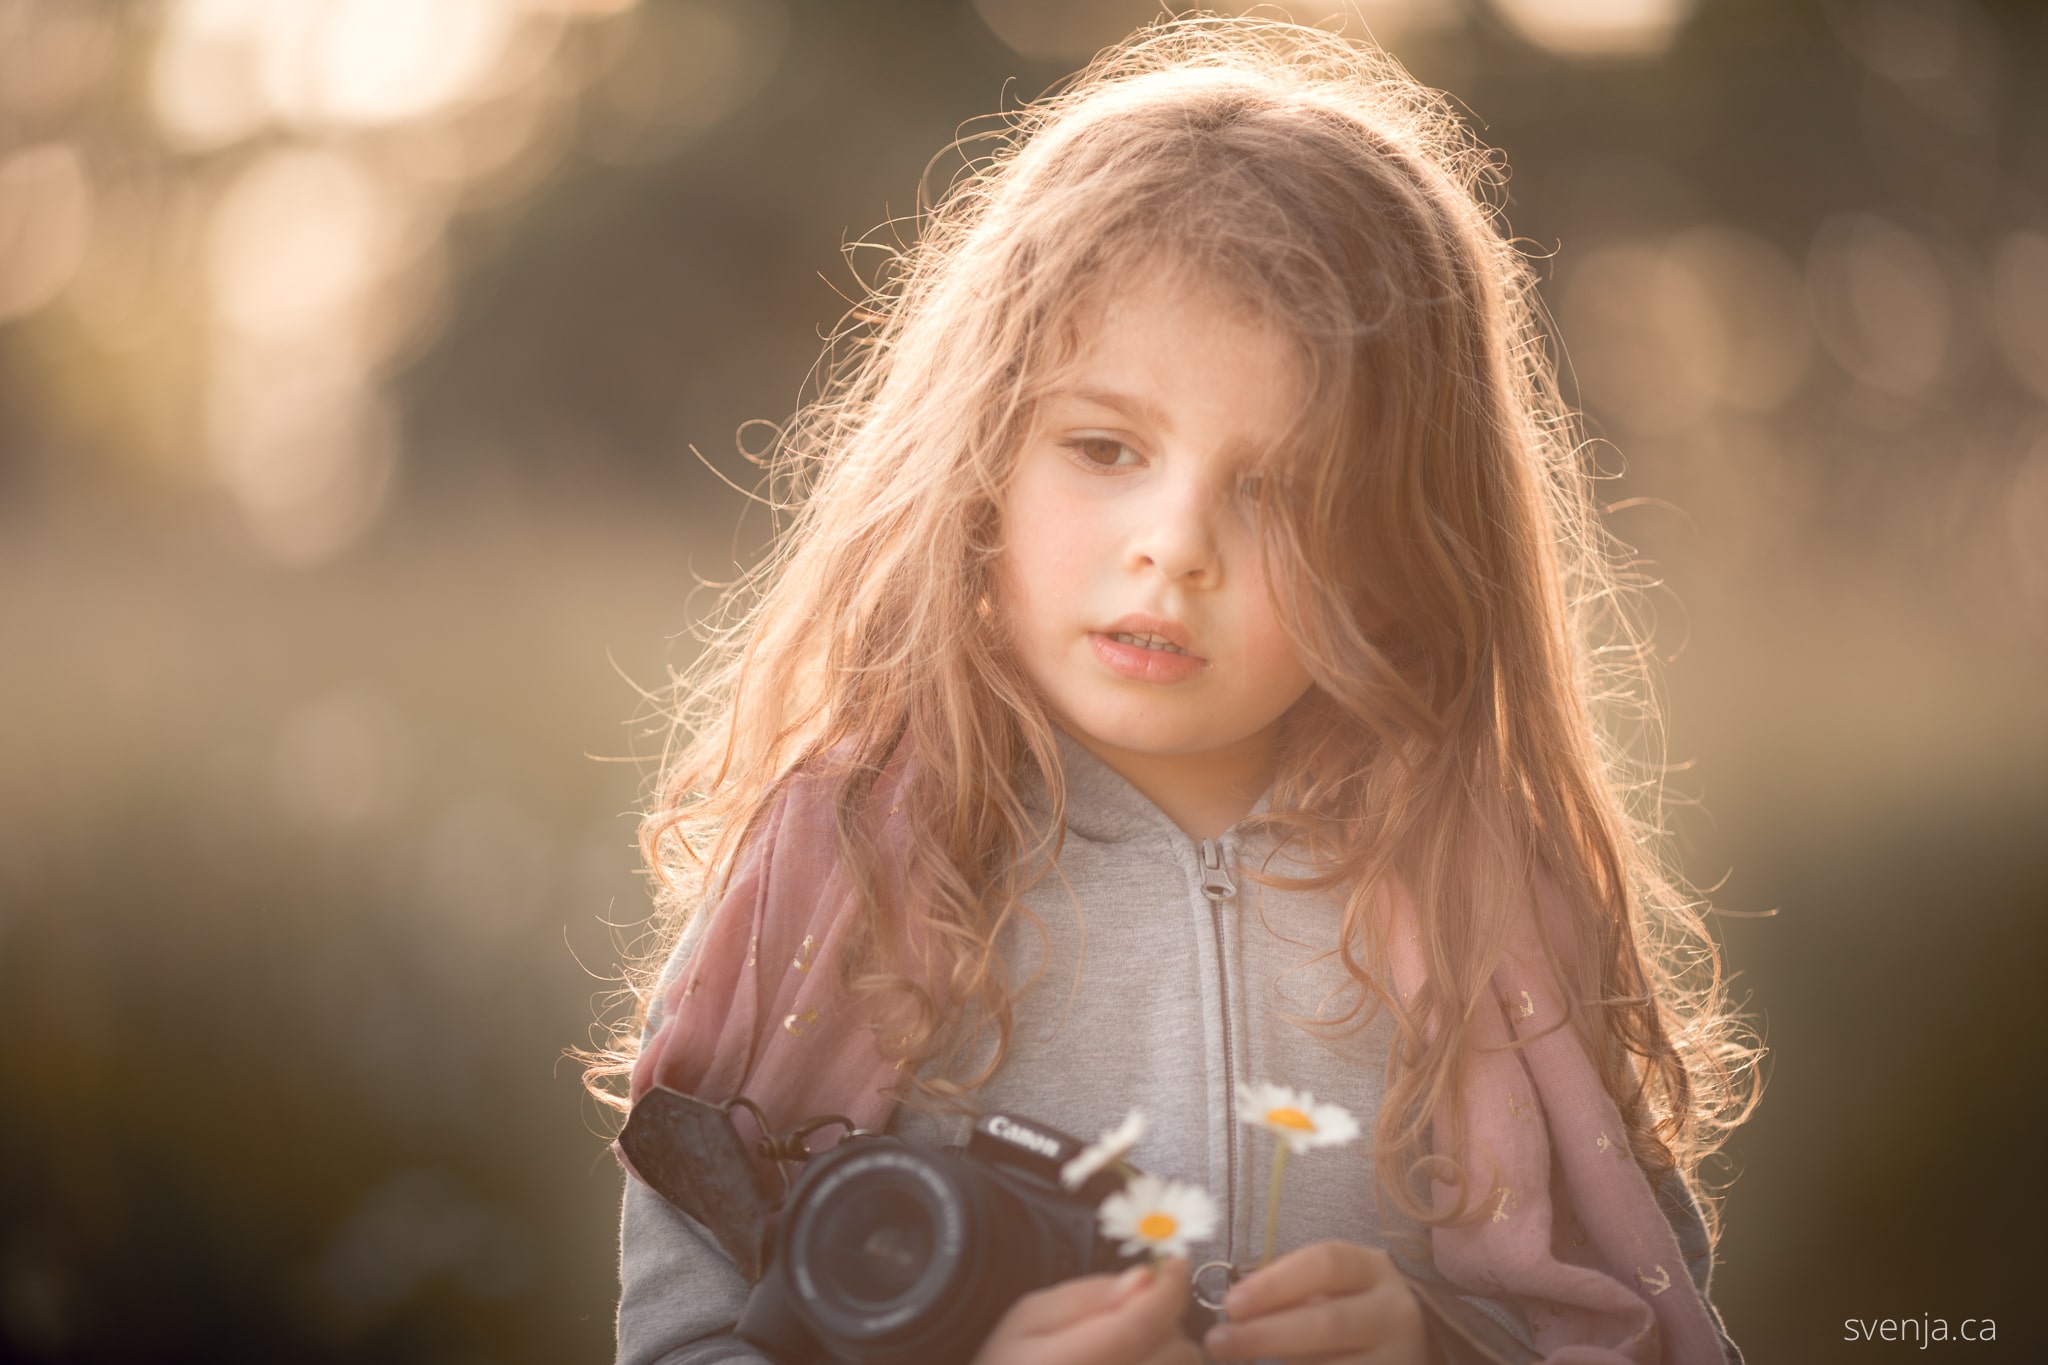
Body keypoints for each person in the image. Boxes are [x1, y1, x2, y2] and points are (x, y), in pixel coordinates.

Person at [586, 14, 1759, 1365]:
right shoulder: (839, 875)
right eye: (1102, 445)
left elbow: (1660, 1334)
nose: (1176, 542)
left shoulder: (1491, 911)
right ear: (980, 468)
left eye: (1281, 490)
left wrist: (1439, 1346)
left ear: (1404, 549)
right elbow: (685, 1344)